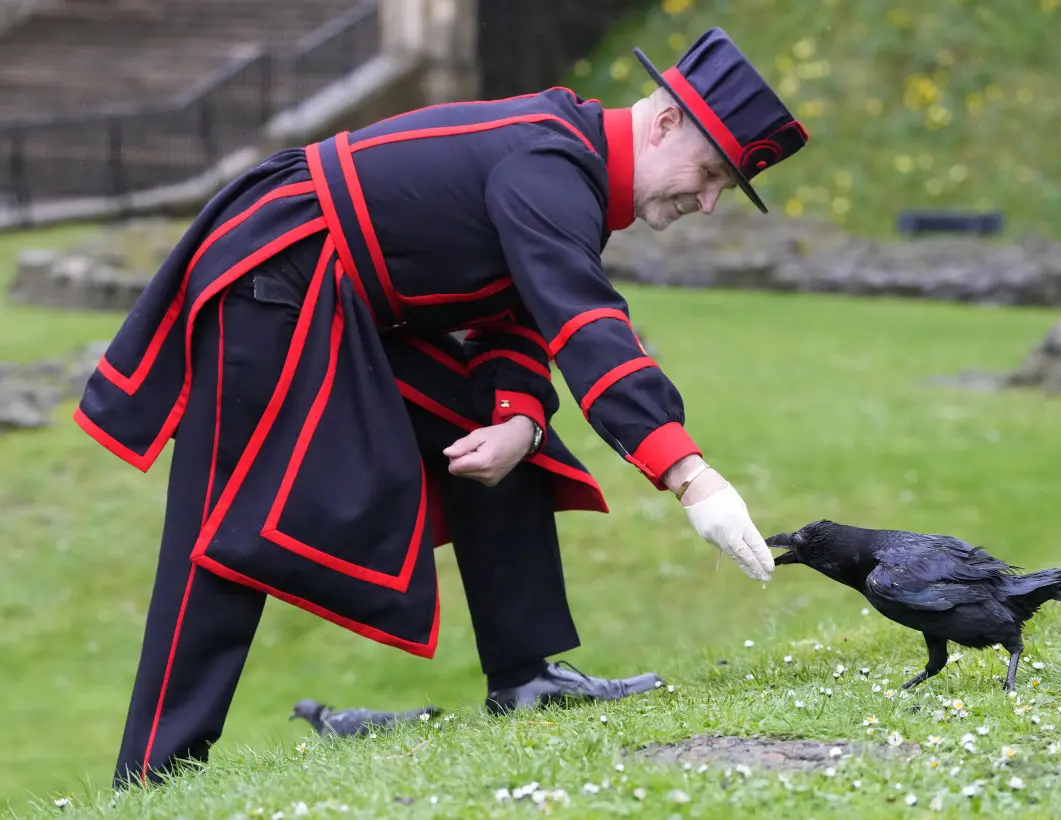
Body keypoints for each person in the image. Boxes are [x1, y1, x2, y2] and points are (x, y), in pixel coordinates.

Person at [73, 26, 809, 789]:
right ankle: (153, 778)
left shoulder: (572, 163)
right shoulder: (554, 163)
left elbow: (516, 311)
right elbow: (586, 326)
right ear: (663, 123)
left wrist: (520, 420)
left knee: (499, 426)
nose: (710, 201)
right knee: (228, 526)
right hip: (269, 280)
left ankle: (525, 682)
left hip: (337, 297)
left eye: (728, 185)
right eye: (712, 171)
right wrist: (690, 476)